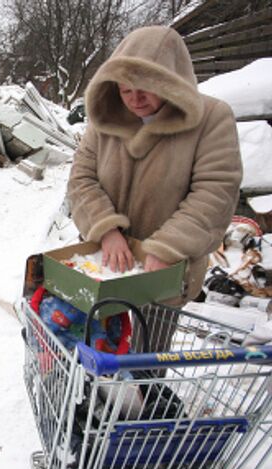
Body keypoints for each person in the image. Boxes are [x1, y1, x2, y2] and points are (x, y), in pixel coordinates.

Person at [67, 26, 243, 352]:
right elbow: (81, 179)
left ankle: (142, 396)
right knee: (97, 349)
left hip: (166, 270)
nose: (135, 100)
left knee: (147, 357)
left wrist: (165, 248)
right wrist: (105, 229)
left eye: (146, 89)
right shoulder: (104, 118)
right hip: (105, 263)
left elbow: (214, 193)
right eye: (125, 90)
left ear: (171, 83)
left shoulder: (212, 119)